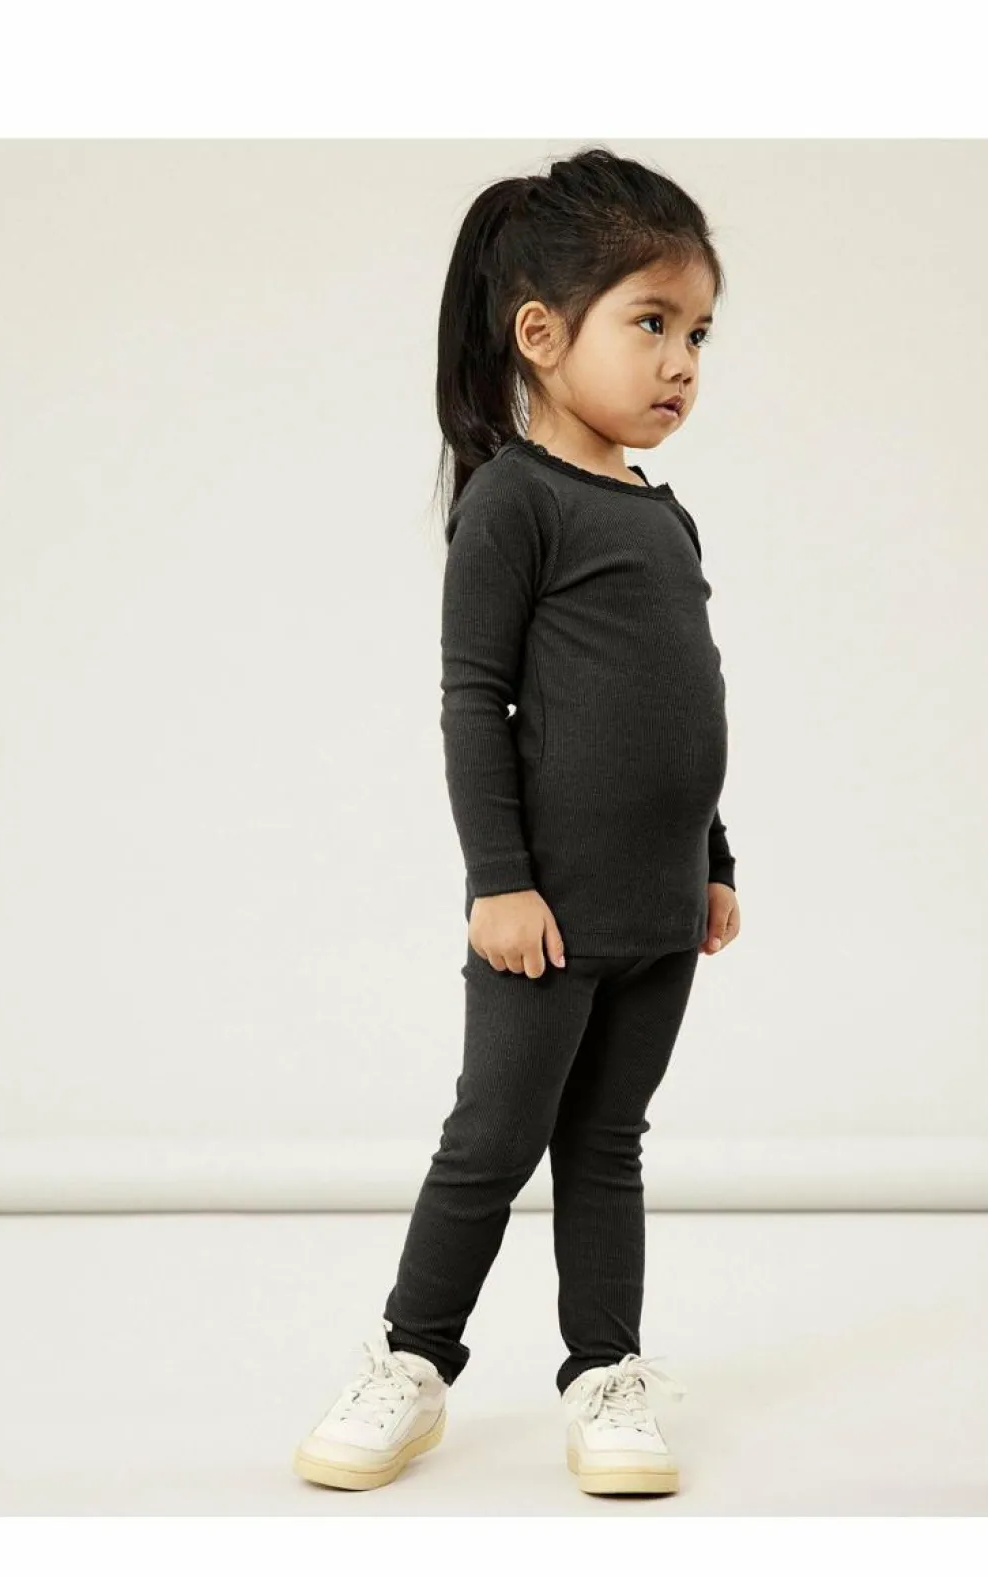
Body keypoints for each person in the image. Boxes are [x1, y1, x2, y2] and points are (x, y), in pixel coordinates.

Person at [292, 146, 741, 1498]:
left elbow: (685, 711)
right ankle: (410, 1362)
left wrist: (715, 860)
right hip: (542, 917)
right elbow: (472, 703)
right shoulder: (513, 503)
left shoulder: (665, 518)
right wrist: (499, 882)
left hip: (659, 909)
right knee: (492, 1140)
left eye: (699, 333)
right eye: (651, 322)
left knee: (608, 1144)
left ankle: (606, 1375)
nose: (682, 362)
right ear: (541, 335)